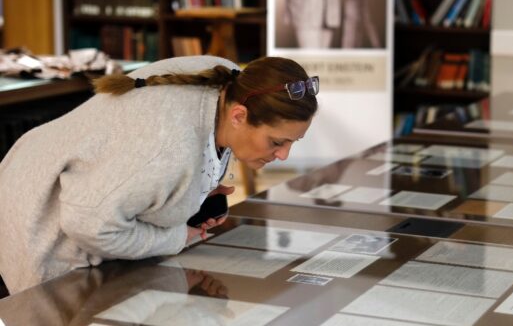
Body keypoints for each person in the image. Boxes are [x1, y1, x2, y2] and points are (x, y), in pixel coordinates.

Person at [0, 55, 319, 294]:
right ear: (239, 115)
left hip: (78, 185)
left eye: (293, 141)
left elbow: (140, 170)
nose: (283, 155)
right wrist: (176, 237)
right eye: (277, 142)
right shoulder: (167, 149)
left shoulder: (233, 82)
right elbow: (88, 224)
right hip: (37, 217)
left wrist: (194, 192)